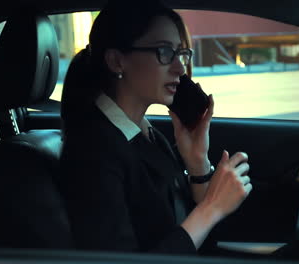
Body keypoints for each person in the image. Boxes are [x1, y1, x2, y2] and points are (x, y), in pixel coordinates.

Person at [59, 0, 252, 254]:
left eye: (181, 53)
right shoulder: (93, 152)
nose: (180, 68)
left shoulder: (146, 135)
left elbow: (192, 234)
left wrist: (197, 164)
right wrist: (211, 208)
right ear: (117, 61)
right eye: (164, 52)